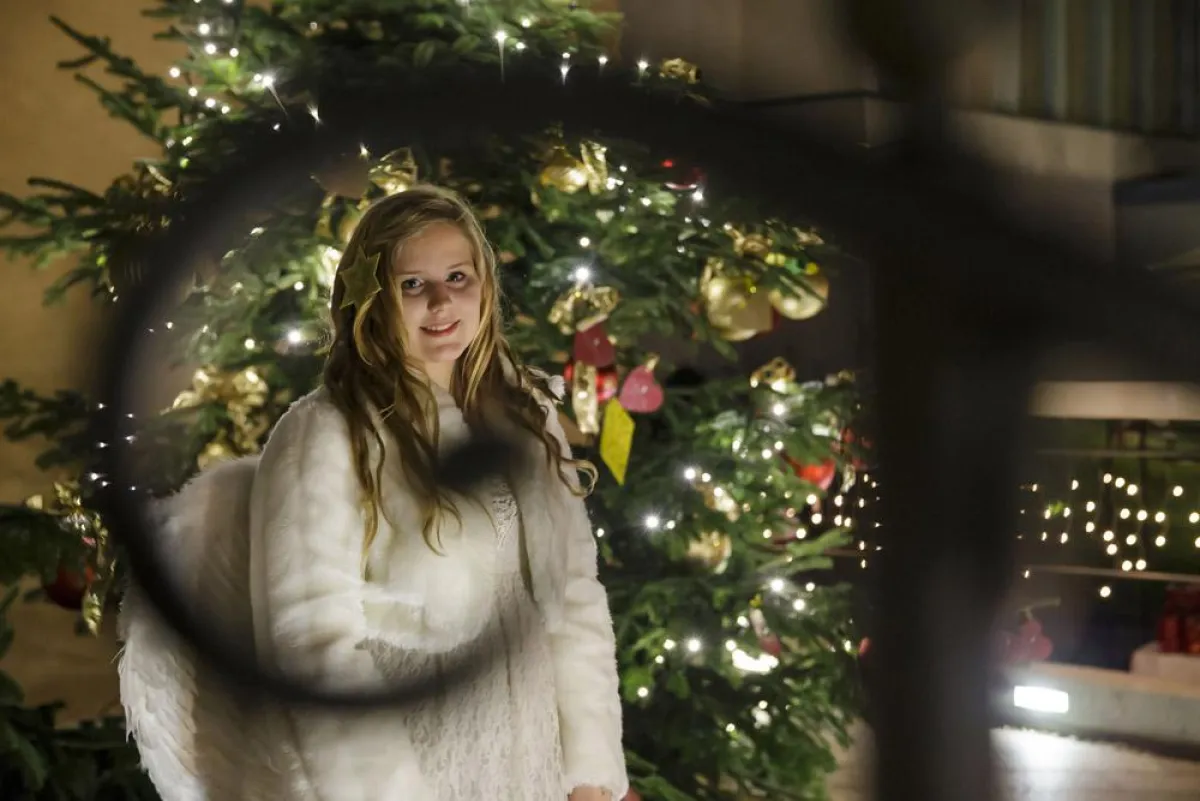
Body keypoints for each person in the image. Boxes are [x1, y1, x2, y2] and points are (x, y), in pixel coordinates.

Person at [118, 185, 628, 801]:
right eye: (413, 284)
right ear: (372, 298)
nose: (441, 301)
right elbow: (309, 642)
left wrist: (594, 774)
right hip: (416, 756)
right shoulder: (327, 431)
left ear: (485, 284)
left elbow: (574, 594)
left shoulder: (526, 414)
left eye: (458, 276)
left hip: (534, 759)